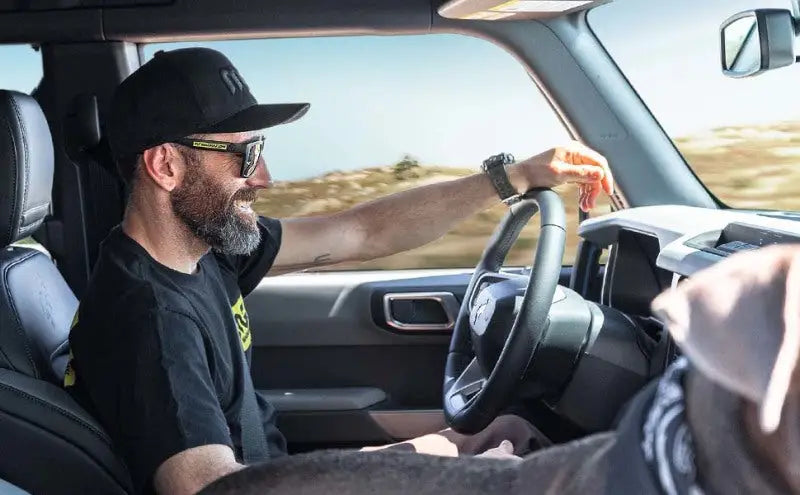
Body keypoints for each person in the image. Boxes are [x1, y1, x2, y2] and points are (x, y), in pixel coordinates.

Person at [65, 47, 614, 495]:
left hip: (273, 478)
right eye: (246, 155)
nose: (265, 178)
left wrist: (514, 177)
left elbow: (363, 231)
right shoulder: (147, 320)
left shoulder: (206, 248)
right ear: (166, 166)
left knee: (511, 432)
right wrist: (446, 481)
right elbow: (209, 490)